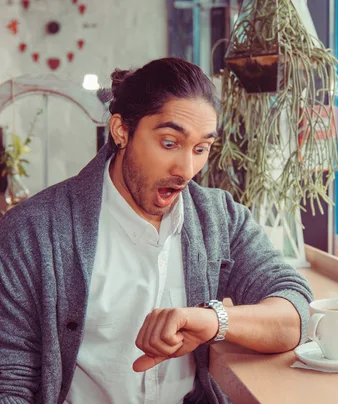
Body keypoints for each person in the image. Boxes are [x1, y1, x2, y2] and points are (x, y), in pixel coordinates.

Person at [0, 57, 313, 404]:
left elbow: (295, 312)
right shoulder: (32, 232)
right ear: (121, 131)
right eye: (169, 143)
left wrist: (214, 320)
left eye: (201, 149)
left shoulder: (219, 218)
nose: (186, 169)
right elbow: (10, 381)